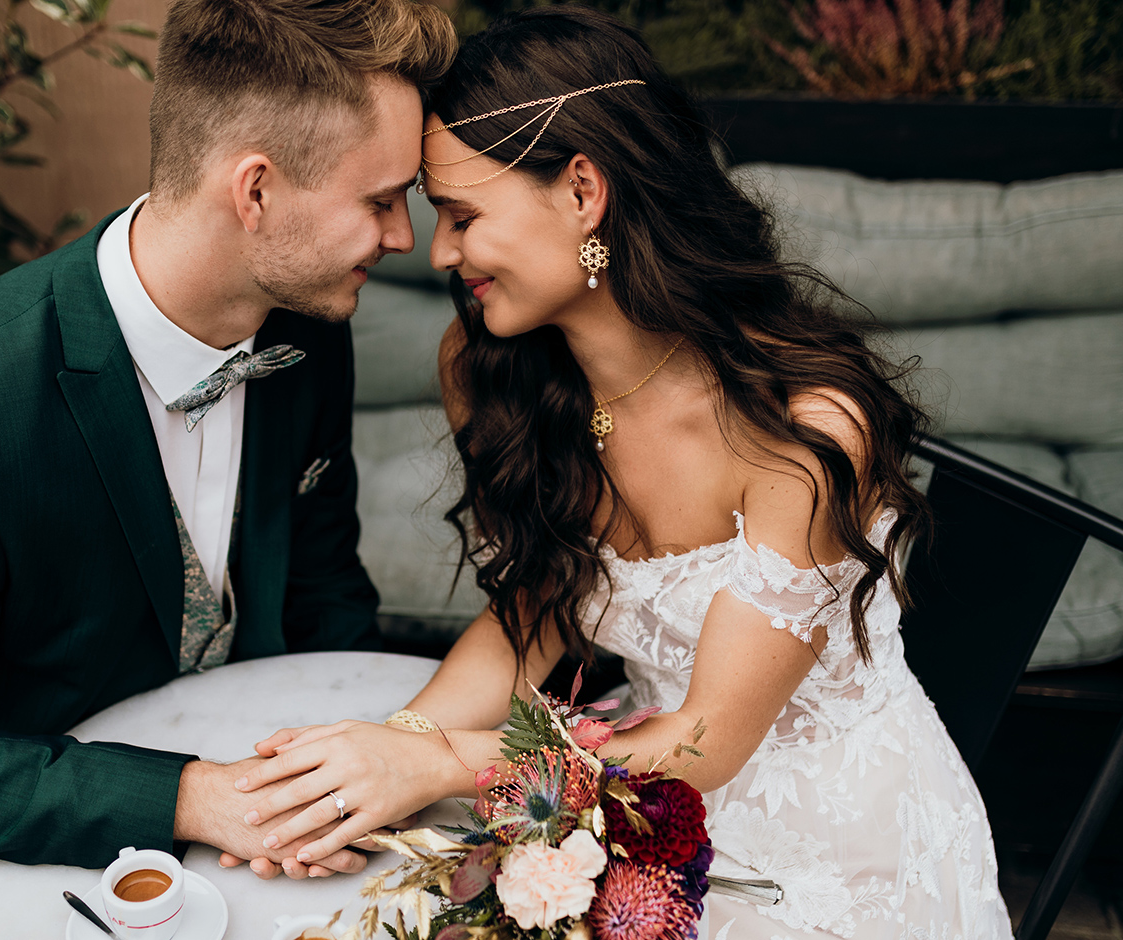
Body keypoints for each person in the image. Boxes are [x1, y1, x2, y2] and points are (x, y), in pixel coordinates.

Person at [233, 7, 1013, 936]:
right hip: (625, 800)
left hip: (842, 853)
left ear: (582, 191)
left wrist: (441, 765)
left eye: (461, 216)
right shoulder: (493, 372)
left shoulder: (803, 431)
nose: (439, 253)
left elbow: (708, 741)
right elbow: (537, 603)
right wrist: (382, 759)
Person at [0, 0, 455, 901]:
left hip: (271, 802)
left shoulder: (309, 329)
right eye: (381, 199)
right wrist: (197, 796)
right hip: (53, 850)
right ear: (256, 190)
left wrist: (359, 766)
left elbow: (324, 592)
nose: (404, 237)